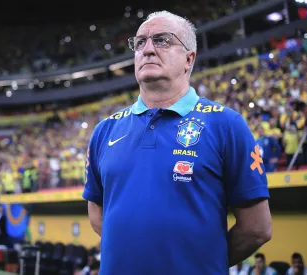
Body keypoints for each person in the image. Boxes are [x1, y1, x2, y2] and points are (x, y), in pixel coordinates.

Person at [82, 10, 272, 275]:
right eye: (140, 42)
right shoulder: (105, 130)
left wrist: (198, 263)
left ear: (188, 58)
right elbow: (97, 214)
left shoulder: (227, 125)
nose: (147, 49)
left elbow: (256, 229)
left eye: (162, 40)